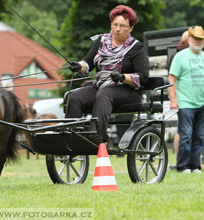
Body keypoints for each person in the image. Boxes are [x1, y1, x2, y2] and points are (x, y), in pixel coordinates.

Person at [67, 5, 149, 142]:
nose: (117, 29)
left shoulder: (136, 47)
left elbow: (143, 76)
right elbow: (87, 63)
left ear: (131, 28)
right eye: (114, 24)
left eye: (122, 26)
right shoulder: (101, 41)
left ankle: (97, 138)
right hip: (101, 87)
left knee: (104, 94)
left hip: (127, 91)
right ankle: (71, 137)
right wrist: (78, 66)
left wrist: (122, 77)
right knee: (75, 97)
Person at [168, 26, 204, 173]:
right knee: (186, 136)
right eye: (195, 38)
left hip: (201, 103)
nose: (198, 41)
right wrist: (173, 99)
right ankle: (182, 166)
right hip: (185, 103)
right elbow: (172, 78)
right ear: (189, 39)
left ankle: (195, 166)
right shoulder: (180, 56)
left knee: (200, 137)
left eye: (200, 39)